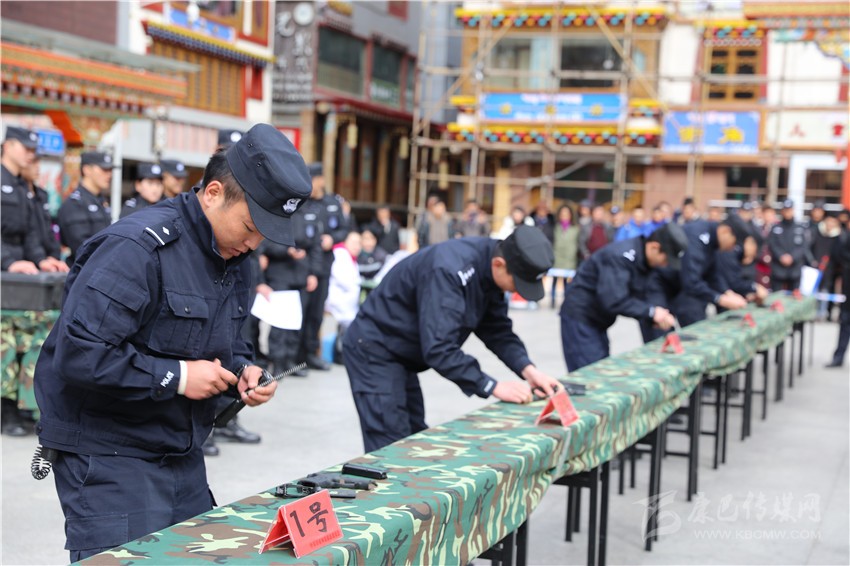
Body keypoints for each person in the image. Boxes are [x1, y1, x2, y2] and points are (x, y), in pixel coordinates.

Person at [34, 123, 311, 561]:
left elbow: (228, 339)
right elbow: (80, 354)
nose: (253, 242)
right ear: (213, 193)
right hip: (109, 450)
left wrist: (243, 371)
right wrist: (178, 377)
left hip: (179, 449)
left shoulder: (235, 256)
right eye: (250, 226)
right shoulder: (136, 249)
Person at [343, 225, 562, 452]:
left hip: (401, 352)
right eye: (517, 284)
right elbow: (439, 348)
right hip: (374, 349)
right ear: (499, 264)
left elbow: (497, 329)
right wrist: (492, 386)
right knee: (390, 445)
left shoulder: (492, 264)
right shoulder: (449, 271)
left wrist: (529, 370)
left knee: (413, 439)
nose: (515, 292)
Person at [560, 223, 687, 371]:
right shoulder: (620, 257)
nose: (665, 265)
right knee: (588, 373)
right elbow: (613, 300)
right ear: (654, 247)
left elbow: (643, 294)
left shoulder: (645, 260)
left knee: (601, 367)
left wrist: (656, 316)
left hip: (598, 321)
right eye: (666, 260)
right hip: (581, 317)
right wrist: (651, 312)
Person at [258, 190, 322, 378]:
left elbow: (315, 246)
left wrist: (313, 273)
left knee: (296, 321)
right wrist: (286, 251)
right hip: (280, 274)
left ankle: (290, 362)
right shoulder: (278, 212)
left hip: (301, 275)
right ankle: (277, 363)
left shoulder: (309, 214)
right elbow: (266, 244)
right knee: (279, 322)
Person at [299, 162, 348, 371]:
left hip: (324, 266)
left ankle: (311, 353)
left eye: (313, 179)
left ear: (321, 180)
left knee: (317, 313)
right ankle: (296, 355)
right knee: (301, 311)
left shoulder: (332, 203)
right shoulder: (302, 203)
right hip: (303, 266)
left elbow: (344, 230)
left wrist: (332, 239)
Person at [2, 126, 65, 274]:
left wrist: (41, 260)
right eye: (26, 148)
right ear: (8, 146)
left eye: (33, 149)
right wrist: (7, 262)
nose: (31, 154)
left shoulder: (22, 187)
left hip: (20, 266)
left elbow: (30, 232)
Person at [57, 151, 114, 266]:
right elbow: (81, 246)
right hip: (83, 269)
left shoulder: (101, 200)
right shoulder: (75, 203)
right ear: (87, 170)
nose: (109, 175)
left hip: (102, 266)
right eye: (104, 170)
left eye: (110, 170)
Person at [21, 150, 67, 271]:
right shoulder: (17, 194)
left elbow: (49, 230)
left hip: (45, 262)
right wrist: (40, 259)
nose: (37, 167)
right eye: (32, 162)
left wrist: (54, 256)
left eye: (38, 162)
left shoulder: (42, 194)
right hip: (25, 263)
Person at [326, 231, 363, 363]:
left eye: (359, 243)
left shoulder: (351, 258)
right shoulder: (340, 254)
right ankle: (341, 354)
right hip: (338, 299)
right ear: (345, 242)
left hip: (347, 302)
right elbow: (346, 281)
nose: (357, 246)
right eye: (354, 242)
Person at [767, 199, 812, 291]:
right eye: (785, 210)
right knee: (777, 296)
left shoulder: (800, 228)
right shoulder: (775, 228)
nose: (787, 212)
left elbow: (803, 246)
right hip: (778, 269)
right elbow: (772, 244)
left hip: (794, 270)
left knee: (794, 296)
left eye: (789, 210)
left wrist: (792, 257)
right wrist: (781, 256)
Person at [825, 222, 850, 368]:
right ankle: (838, 357)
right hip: (848, 291)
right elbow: (838, 254)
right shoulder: (845, 237)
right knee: (845, 322)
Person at [551, 204, 580, 307]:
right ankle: (552, 301)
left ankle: (565, 301)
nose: (564, 215)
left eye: (566, 213)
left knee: (566, 282)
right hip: (556, 256)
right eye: (562, 213)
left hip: (569, 258)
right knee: (554, 280)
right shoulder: (555, 227)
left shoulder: (576, 228)